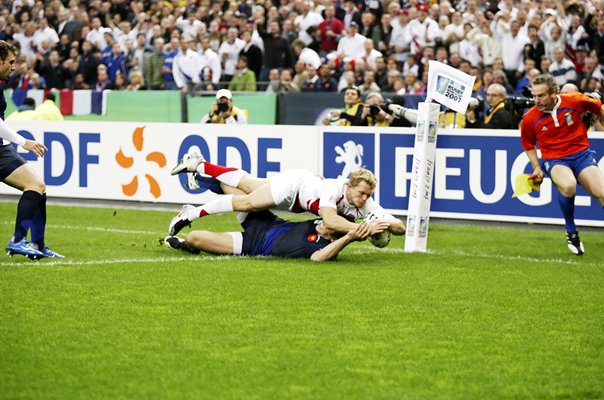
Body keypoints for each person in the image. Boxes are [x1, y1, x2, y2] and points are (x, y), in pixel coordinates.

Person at [169, 149, 405, 237]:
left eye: (368, 195)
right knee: (249, 202)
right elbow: (331, 221)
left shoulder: (365, 202)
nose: (364, 199)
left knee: (248, 184)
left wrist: (384, 224)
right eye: (362, 193)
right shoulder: (332, 189)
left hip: (297, 200)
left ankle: (199, 166)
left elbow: (400, 228)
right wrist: (363, 229)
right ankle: (191, 214)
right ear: (351, 185)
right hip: (293, 187)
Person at [520, 74, 604, 255]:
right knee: (568, 185)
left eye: (541, 95)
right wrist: (536, 166)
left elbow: (598, 106)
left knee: (602, 194)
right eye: (534, 96)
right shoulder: (530, 118)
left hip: (582, 155)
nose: (537, 100)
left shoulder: (574, 100)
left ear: (554, 93)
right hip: (554, 159)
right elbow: (528, 145)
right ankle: (571, 230)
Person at [0, 41, 63, 259]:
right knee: (35, 186)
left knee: (38, 187)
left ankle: (36, 245)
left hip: (2, 149)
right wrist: (22, 141)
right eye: (10, 62)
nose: (13, 67)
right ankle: (18, 240)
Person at [163, 210, 372, 261]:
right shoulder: (321, 219)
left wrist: (349, 237)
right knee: (237, 190)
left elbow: (319, 259)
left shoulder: (324, 246)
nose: (328, 219)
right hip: (267, 222)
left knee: (195, 238)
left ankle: (186, 246)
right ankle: (199, 176)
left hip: (253, 244)